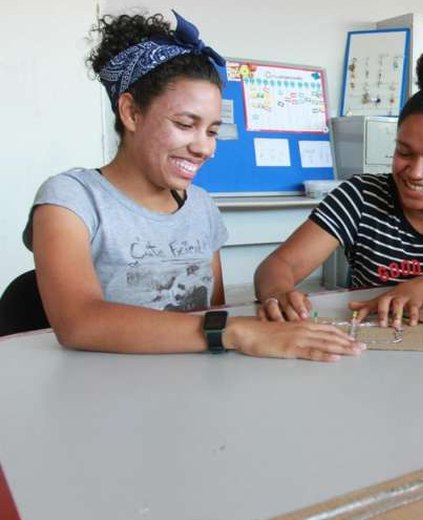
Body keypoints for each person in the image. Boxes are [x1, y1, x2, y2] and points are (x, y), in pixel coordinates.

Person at [23, 10, 362, 361]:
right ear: (131, 113)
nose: (205, 147)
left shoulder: (200, 205)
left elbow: (211, 311)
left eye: (213, 131)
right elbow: (79, 323)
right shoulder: (69, 199)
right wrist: (236, 331)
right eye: (186, 124)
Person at [255, 43, 423, 327]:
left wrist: (417, 288)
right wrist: (279, 292)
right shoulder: (360, 196)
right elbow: (277, 266)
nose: (416, 173)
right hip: (374, 343)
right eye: (404, 152)